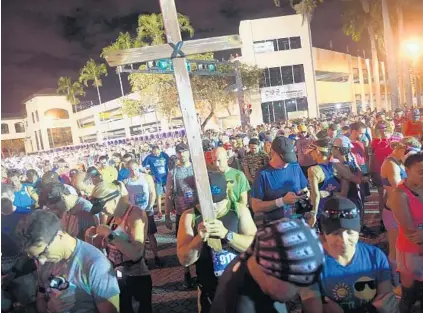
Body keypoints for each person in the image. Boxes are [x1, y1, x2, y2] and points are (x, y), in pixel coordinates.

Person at [301, 197, 398, 313]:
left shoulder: (375, 257)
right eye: (336, 233)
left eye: (350, 232)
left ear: (358, 232)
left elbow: (387, 305)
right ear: (323, 234)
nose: (344, 240)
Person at [177, 172, 256, 313]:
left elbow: (255, 246)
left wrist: (227, 234)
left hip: (241, 289)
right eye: (207, 202)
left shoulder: (239, 210)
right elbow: (184, 259)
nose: (212, 207)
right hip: (210, 292)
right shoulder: (190, 216)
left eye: (217, 201)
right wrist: (198, 239)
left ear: (226, 193)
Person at [210, 218, 324, 313]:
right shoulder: (240, 305)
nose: (299, 292)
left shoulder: (255, 256)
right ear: (271, 271)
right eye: (297, 284)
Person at [17, 210, 120, 313]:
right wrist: (49, 308)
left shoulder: (96, 265)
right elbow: (41, 298)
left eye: (43, 253)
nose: (42, 261)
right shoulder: (44, 261)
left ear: (59, 235)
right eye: (36, 257)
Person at [91, 181, 152, 313]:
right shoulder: (113, 217)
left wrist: (109, 233)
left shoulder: (135, 214)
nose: (102, 211)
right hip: (118, 275)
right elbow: (110, 245)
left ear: (114, 199)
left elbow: (136, 253)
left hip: (136, 277)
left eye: (103, 207)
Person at [380, 137, 421, 292]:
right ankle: (397, 283)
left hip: (407, 210)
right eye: (410, 153)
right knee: (396, 249)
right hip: (394, 212)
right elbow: (400, 186)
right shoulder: (391, 164)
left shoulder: (401, 162)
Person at [391, 153, 423, 313]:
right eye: (421, 172)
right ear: (407, 170)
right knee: (410, 296)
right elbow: (412, 232)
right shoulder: (400, 194)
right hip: (412, 254)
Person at [251, 136, 308, 223]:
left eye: (289, 159)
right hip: (276, 224)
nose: (286, 163)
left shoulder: (295, 166)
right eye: (284, 159)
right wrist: (282, 201)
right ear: (273, 152)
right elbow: (256, 207)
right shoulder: (263, 173)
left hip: (297, 221)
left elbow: (304, 189)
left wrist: (305, 197)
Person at [125, 160, 163, 267]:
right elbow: (126, 198)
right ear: (128, 170)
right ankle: (143, 259)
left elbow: (152, 192)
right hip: (135, 214)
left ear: (138, 168)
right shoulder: (127, 182)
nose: (134, 172)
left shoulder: (146, 177)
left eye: (135, 169)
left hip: (147, 211)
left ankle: (156, 257)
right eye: (131, 170)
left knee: (151, 235)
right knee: (139, 237)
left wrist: (149, 206)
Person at [142, 146, 169, 219]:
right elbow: (142, 166)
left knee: (169, 195)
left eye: (158, 153)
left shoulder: (164, 155)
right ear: (152, 152)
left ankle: (170, 210)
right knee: (158, 196)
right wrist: (149, 174)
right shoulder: (149, 157)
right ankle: (160, 211)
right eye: (155, 153)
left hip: (166, 178)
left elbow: (170, 163)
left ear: (160, 150)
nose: (157, 154)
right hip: (157, 179)